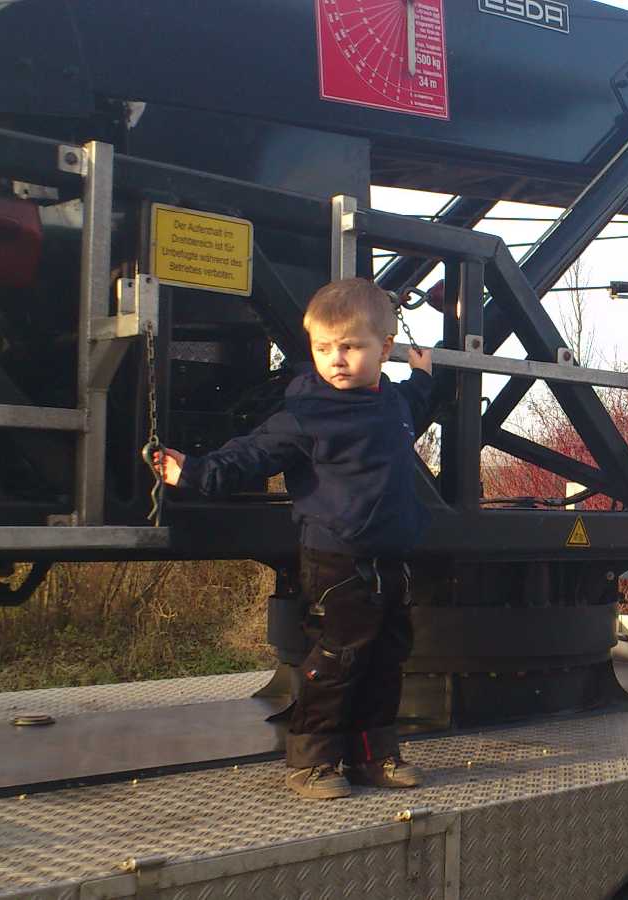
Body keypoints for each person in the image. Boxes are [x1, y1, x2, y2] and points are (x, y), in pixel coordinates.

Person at [150, 278, 434, 800]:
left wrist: (423, 375)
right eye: (324, 349)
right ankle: (312, 761)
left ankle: (374, 756)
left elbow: (416, 403)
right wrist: (192, 472)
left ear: (385, 349)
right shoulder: (307, 414)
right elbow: (250, 455)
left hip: (391, 556)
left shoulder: (392, 402)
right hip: (338, 558)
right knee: (338, 659)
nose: (336, 360)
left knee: (387, 657)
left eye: (351, 347)